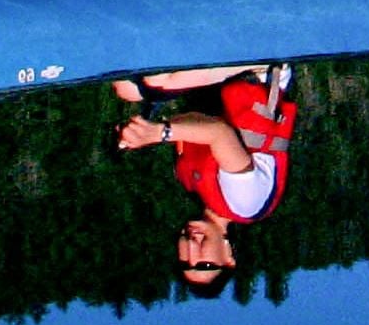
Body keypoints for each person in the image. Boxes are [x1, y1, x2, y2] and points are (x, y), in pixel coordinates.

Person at [114, 64, 298, 292]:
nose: (192, 249)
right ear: (228, 256)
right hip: (258, 74)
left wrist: (140, 129)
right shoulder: (246, 204)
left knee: (127, 89)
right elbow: (219, 133)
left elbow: (191, 118)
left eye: (185, 262)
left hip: (222, 80)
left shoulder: (191, 183)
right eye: (205, 264)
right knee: (157, 82)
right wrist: (160, 133)